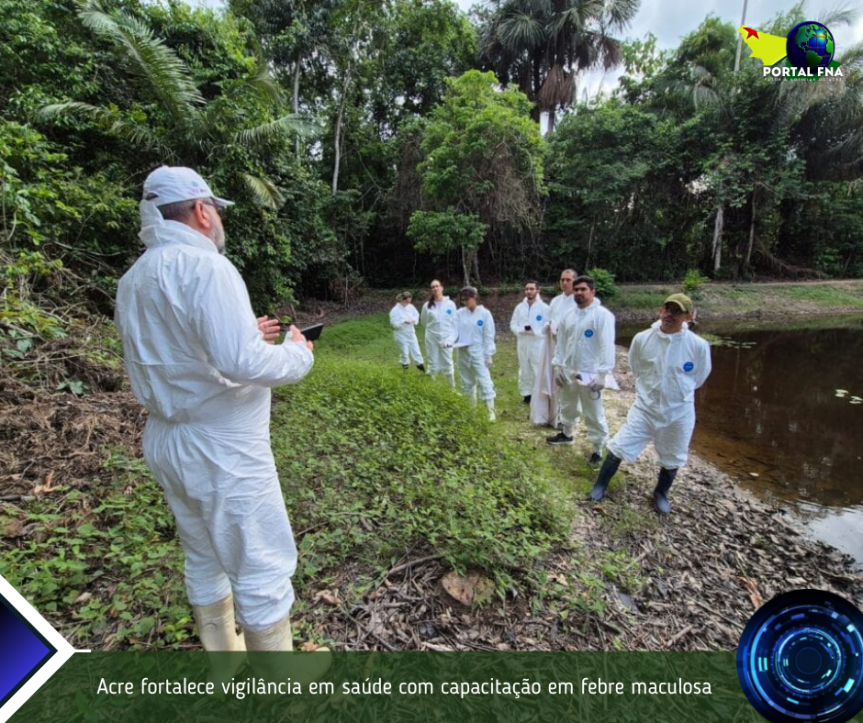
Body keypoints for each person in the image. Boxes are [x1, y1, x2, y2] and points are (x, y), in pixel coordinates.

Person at [114, 166, 327, 680]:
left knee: (203, 552)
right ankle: (282, 683)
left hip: (167, 438)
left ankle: (224, 663)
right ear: (203, 211)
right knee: (258, 557)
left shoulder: (134, 278)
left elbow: (173, 353)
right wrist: (297, 354)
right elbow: (243, 365)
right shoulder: (206, 268)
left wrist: (242, 333)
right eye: (216, 211)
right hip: (222, 448)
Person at [588, 294, 712, 515]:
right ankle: (600, 485)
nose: (670, 315)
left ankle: (661, 493)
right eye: (667, 309)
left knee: (673, 455)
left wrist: (676, 392)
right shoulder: (643, 338)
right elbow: (636, 367)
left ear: (688, 316)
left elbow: (699, 377)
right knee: (619, 445)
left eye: (677, 311)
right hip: (645, 408)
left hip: (679, 411)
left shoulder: (698, 346)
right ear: (660, 311)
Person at [547, 276, 617, 463]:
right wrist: (557, 366)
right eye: (576, 289)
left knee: (593, 412)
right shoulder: (569, 315)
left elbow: (606, 346)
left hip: (590, 373)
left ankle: (598, 448)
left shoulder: (602, 316)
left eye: (583, 289)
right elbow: (561, 343)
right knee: (568, 404)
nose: (579, 292)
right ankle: (567, 433)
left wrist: (603, 374)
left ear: (592, 292)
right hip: (569, 369)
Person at [530, 268, 578, 426]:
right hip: (552, 345)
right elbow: (549, 319)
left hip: (569, 347)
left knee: (566, 381)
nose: (564, 283)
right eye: (562, 280)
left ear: (574, 282)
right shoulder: (556, 301)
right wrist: (548, 326)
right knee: (549, 377)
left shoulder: (578, 302)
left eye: (568, 280)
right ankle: (547, 414)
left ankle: (564, 418)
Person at [453, 286, 497, 421]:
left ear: (475, 298)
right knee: (467, 382)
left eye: (468, 299)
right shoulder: (459, 313)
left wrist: (488, 354)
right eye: (463, 300)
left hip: (479, 353)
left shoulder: (484, 314)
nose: (465, 302)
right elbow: (453, 330)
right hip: (463, 351)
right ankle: (470, 410)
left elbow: (489, 335)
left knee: (484, 381)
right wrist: (450, 341)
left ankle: (490, 411)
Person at [509, 280, 550, 404]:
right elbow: (513, 323)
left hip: (538, 343)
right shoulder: (520, 307)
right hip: (523, 342)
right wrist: (521, 330)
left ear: (538, 290)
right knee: (524, 368)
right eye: (527, 289)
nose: (529, 291)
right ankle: (527, 394)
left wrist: (536, 331)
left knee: (538, 368)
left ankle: (541, 395)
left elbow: (548, 324)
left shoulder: (544, 308)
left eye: (532, 289)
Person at [420, 279, 457, 387]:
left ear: (442, 288)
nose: (435, 288)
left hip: (447, 337)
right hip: (431, 338)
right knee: (433, 362)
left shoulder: (450, 304)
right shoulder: (427, 306)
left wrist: (451, 338)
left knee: (448, 362)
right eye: (432, 287)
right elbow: (424, 321)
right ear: (431, 290)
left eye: (437, 286)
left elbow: (455, 322)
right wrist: (433, 331)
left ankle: (452, 390)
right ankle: (433, 389)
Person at [389, 292, 425, 372]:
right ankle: (405, 371)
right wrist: (403, 321)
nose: (408, 303)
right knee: (405, 353)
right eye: (406, 301)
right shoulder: (395, 310)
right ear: (402, 300)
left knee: (417, 351)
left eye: (409, 301)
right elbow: (394, 324)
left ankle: (422, 370)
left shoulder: (411, 307)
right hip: (401, 334)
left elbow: (416, 315)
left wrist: (414, 321)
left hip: (411, 333)